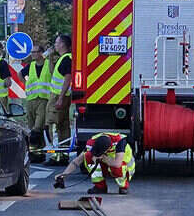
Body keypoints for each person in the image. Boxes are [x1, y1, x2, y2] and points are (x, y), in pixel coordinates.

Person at [53, 132, 136, 195]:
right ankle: (100, 187)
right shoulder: (92, 142)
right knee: (88, 156)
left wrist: (104, 159)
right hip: (107, 159)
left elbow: (117, 163)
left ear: (108, 149)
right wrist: (64, 174)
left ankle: (123, 186)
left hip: (122, 164)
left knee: (117, 168)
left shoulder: (120, 142)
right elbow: (77, 161)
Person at [21, 44, 52, 158]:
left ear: (41, 53)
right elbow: (21, 74)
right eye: (32, 52)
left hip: (44, 99)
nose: (33, 54)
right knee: (31, 127)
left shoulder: (49, 65)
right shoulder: (31, 66)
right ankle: (40, 152)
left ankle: (35, 154)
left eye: (35, 52)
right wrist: (26, 84)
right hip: (31, 100)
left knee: (37, 128)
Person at [47, 34, 73, 164]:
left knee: (53, 124)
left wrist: (60, 98)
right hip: (61, 96)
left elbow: (68, 78)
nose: (55, 45)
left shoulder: (66, 59)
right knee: (63, 126)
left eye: (57, 43)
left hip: (58, 96)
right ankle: (63, 154)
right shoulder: (64, 58)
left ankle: (56, 155)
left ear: (62, 44)